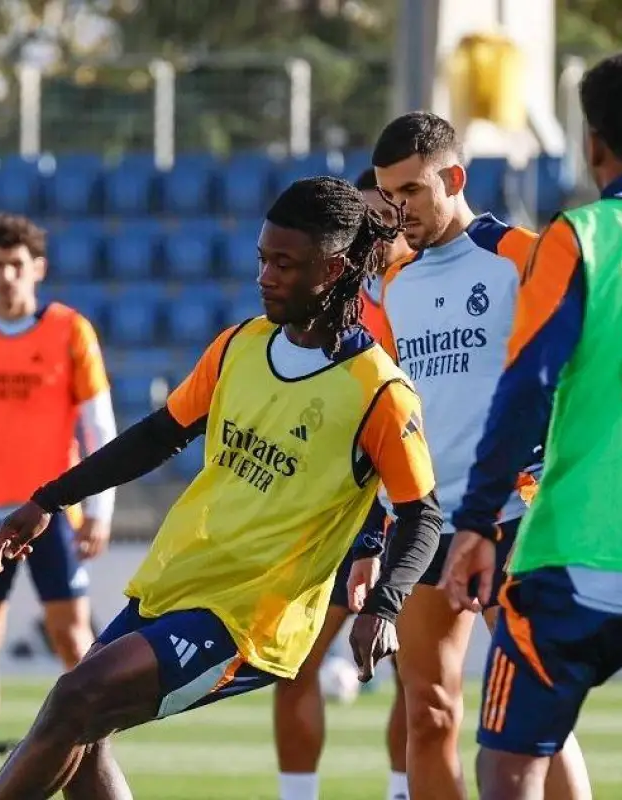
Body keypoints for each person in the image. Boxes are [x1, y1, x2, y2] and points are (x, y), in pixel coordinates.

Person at [0, 176, 444, 800]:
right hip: (179, 582)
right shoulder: (239, 347)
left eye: (284, 263)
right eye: (262, 259)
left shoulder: (379, 390)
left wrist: (385, 605)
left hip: (251, 618)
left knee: (75, 697)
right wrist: (47, 501)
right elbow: (154, 437)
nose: (266, 276)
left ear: (332, 269)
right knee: (82, 733)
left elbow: (422, 515)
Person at [441, 51, 622, 800]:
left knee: (510, 769)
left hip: (572, 560)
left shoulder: (581, 236)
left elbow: (527, 383)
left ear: (592, 142)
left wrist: (473, 524)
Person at [370, 111, 592, 800]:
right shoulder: (395, 285)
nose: (398, 209)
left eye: (410, 191)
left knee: (539, 712)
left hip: (513, 515)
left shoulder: (523, 255)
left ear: (454, 177)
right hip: (425, 523)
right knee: (427, 711)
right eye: (388, 196)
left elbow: (575, 370)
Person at [0, 212, 118, 800]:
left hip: (52, 512)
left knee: (75, 643)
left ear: (37, 268)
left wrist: (102, 507)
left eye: (19, 264)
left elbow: (99, 428)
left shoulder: (69, 331)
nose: (8, 275)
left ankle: (92, 761)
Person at [270, 167, 414, 800]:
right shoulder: (323, 312)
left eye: (384, 215)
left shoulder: (426, 294)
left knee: (419, 675)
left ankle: (402, 790)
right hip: (333, 511)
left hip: (414, 506)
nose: (368, 233)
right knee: (295, 660)